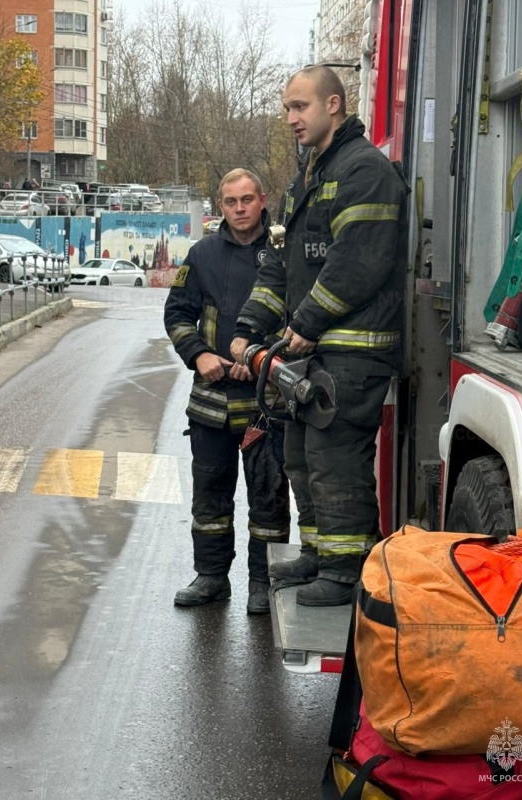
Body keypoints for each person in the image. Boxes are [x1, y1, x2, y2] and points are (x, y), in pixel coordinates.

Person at [231, 66, 409, 607]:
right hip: (319, 353)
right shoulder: (308, 175)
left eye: (300, 107)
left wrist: (305, 326)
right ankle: (317, 552)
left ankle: (346, 570)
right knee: (301, 454)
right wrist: (246, 329)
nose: (290, 119)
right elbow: (280, 265)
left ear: (334, 104)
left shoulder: (364, 171)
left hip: (354, 351)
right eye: (286, 108)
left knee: (335, 458)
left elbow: (357, 264)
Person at [164, 168, 290, 613]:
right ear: (221, 206)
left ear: (262, 200)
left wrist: (261, 361)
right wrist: (199, 354)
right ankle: (212, 578)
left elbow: (296, 319)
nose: (240, 209)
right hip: (211, 401)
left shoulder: (283, 253)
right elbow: (177, 314)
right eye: (231, 202)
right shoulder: (201, 254)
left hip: (266, 399)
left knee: (269, 497)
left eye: (247, 200)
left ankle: (264, 583)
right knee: (211, 496)